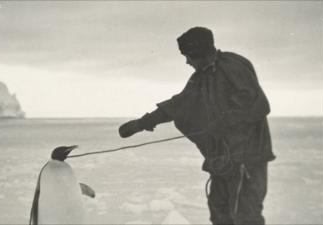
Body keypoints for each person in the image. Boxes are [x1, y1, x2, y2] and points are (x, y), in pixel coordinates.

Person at [118, 27, 275, 225]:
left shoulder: (233, 66)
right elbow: (180, 105)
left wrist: (226, 121)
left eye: (188, 56)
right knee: (219, 212)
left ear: (200, 52)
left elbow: (258, 104)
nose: (187, 61)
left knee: (245, 217)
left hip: (247, 158)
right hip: (223, 161)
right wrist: (143, 122)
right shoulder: (199, 77)